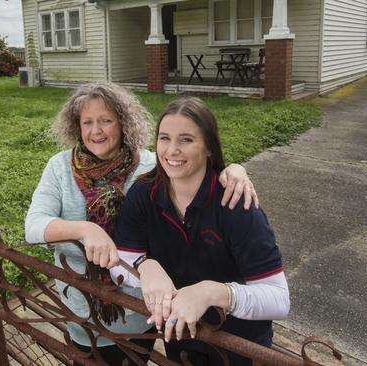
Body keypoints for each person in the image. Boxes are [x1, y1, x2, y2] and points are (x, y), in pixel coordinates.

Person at [24, 83, 259, 365]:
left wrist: (233, 170)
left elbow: (195, 170)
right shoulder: (60, 167)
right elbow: (34, 227)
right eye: (87, 122)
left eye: (106, 121)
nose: (95, 131)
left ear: (123, 122)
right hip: (82, 310)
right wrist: (86, 229)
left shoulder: (149, 166)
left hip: (140, 311)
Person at [112, 97, 289, 365]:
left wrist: (210, 292)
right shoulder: (144, 193)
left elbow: (278, 299)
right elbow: (120, 264)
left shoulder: (235, 202)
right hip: (181, 336)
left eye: (186, 140)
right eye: (164, 138)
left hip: (239, 343)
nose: (171, 150)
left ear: (208, 147)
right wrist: (146, 267)